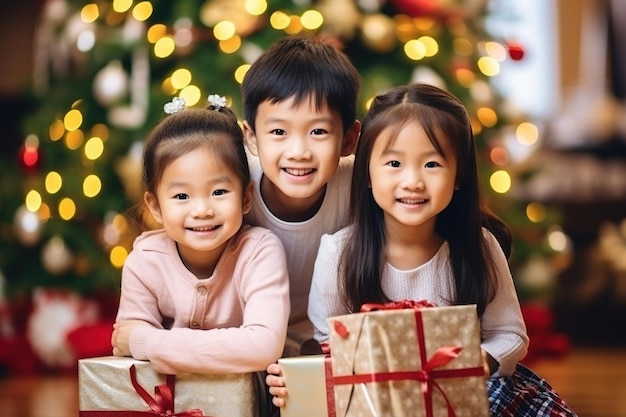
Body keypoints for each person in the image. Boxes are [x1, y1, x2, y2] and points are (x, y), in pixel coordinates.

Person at [269, 83, 577, 416]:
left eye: (432, 165)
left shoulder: (479, 246)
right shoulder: (339, 253)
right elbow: (329, 343)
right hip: (374, 398)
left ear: (458, 175)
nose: (413, 181)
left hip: (466, 391)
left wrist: (471, 366)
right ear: (368, 173)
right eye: (394, 164)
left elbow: (510, 335)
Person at [111, 94, 290, 376]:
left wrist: (147, 342)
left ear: (246, 198)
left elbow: (264, 346)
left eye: (219, 192)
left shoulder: (260, 251)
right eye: (181, 196)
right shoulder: (144, 262)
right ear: (155, 206)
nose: (202, 210)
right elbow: (124, 350)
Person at [240, 36, 361, 356]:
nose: (298, 152)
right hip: (246, 341)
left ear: (349, 140)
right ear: (251, 138)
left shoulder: (359, 186)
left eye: (318, 131)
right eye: (278, 132)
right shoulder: (233, 187)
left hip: (334, 346)